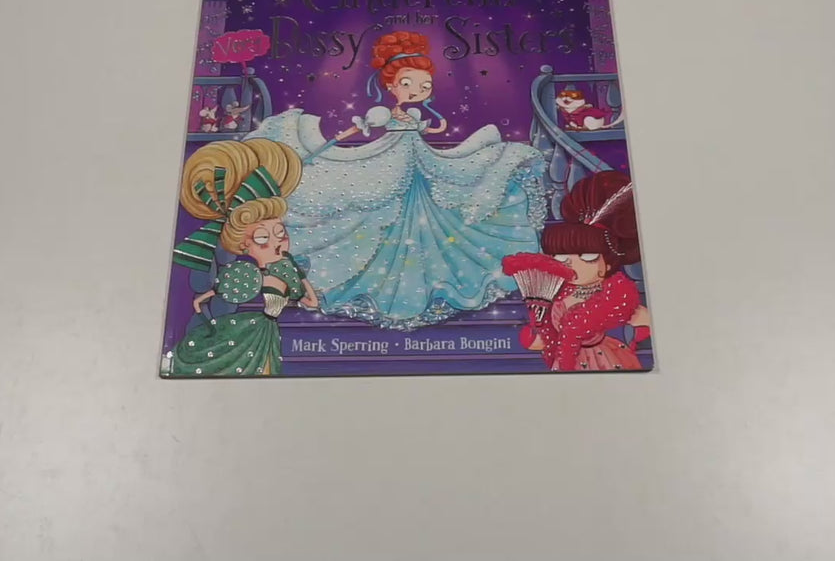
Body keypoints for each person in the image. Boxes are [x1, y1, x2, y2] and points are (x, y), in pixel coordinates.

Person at [246, 30, 548, 330]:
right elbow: (363, 127)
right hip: (392, 158)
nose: (417, 91)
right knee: (381, 203)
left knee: (450, 189)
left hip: (420, 159)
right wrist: (340, 137)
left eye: (424, 86)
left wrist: (432, 127)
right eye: (407, 84)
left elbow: (424, 130)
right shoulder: (383, 112)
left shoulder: (413, 113)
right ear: (390, 85)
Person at [166, 138, 319, 376]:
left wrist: (300, 281)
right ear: (244, 246)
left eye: (281, 233)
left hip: (264, 330)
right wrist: (202, 304)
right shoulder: (247, 275)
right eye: (262, 238)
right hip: (247, 329)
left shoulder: (283, 270)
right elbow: (220, 291)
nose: (276, 242)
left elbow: (311, 301)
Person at [519, 170, 650, 371]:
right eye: (561, 257)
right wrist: (538, 335)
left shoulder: (617, 297)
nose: (572, 264)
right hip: (564, 362)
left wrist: (644, 326)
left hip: (605, 361)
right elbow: (546, 339)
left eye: (587, 257)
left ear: (607, 264)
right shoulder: (558, 295)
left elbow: (647, 323)